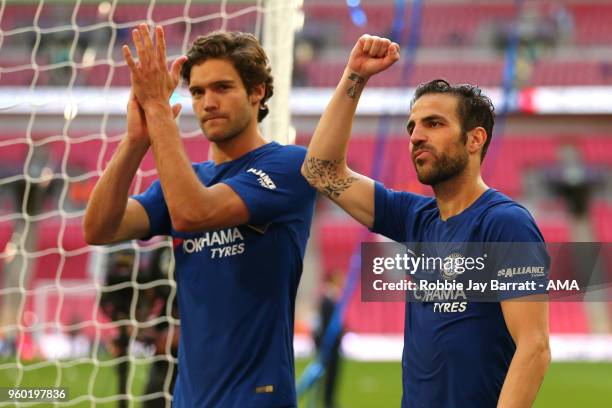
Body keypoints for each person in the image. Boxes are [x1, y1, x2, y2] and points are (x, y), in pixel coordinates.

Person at [302, 35, 550, 407]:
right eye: (412, 127)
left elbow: (534, 347)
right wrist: (355, 76)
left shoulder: (505, 223)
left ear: (475, 139)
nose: (416, 136)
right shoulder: (414, 218)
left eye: (433, 124)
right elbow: (321, 171)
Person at [83, 24, 316, 407]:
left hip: (256, 398)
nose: (208, 102)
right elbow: (98, 228)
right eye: (197, 91)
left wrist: (158, 108)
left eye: (222, 88)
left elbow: (192, 214)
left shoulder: (289, 165)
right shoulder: (188, 180)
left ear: (257, 92)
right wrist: (135, 141)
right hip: (189, 398)